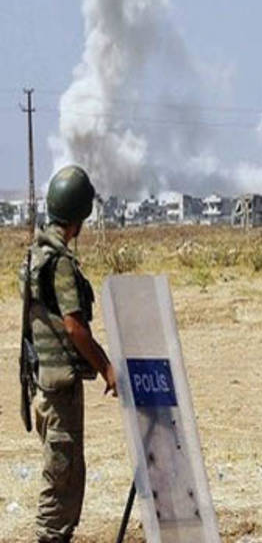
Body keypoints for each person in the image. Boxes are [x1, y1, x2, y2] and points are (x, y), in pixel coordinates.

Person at [20, 165, 117, 542]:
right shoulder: (58, 262)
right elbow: (74, 326)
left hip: (45, 384)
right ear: (79, 216)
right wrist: (107, 367)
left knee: (65, 471)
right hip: (58, 391)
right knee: (62, 476)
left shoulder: (35, 254)